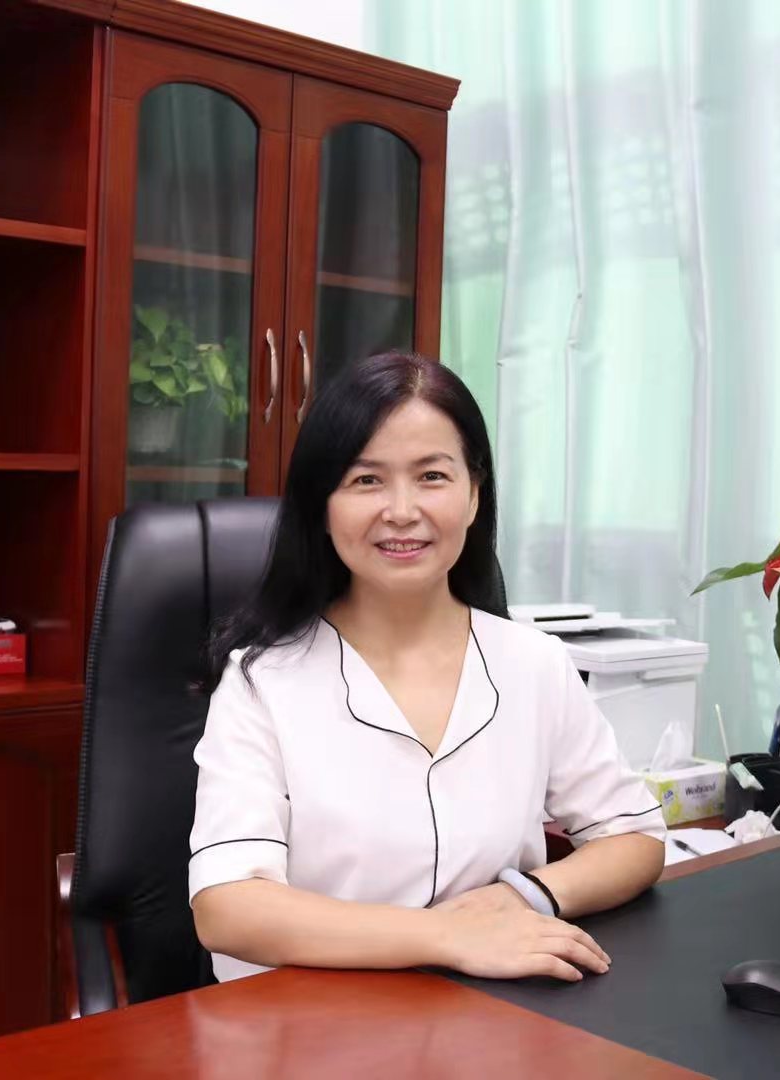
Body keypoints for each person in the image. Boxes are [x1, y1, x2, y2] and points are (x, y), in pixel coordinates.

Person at [189, 350, 666, 985]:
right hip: (308, 1012)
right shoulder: (262, 682)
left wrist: (525, 897)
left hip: (493, 1007)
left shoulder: (533, 663)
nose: (402, 510)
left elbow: (634, 837)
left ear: (474, 495)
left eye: (432, 476)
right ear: (322, 507)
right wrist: (447, 937)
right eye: (366, 480)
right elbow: (227, 908)